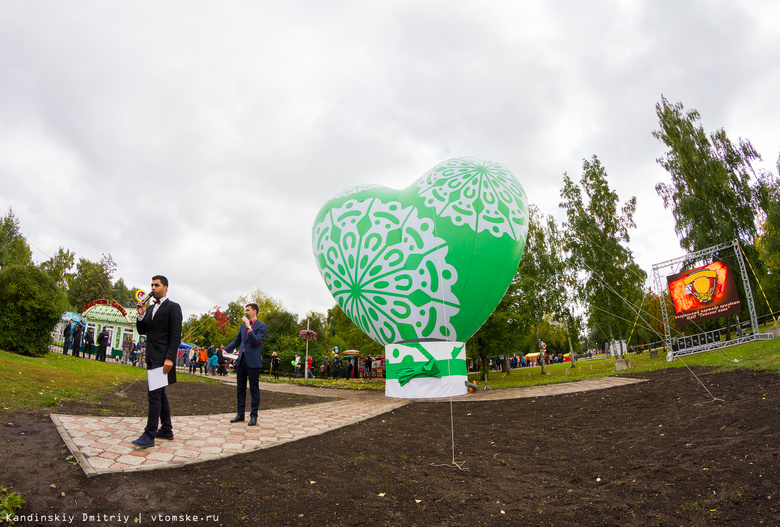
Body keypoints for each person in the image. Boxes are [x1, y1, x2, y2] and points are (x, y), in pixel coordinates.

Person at [132, 275, 182, 449]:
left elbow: (176, 335)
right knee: (160, 395)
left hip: (163, 358)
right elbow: (143, 330)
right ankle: (166, 429)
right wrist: (141, 314)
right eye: (151, 285)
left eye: (156, 285)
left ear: (165, 287)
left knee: (153, 395)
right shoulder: (151, 307)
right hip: (152, 356)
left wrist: (170, 358)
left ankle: (149, 434)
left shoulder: (173, 307)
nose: (153, 288)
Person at [224, 303, 267, 426]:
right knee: (240, 389)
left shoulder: (261, 326)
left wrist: (249, 327)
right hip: (241, 360)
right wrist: (226, 349)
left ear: (254, 311)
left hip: (253, 362)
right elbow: (237, 340)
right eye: (245, 310)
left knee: (254, 389)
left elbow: (256, 341)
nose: (246, 312)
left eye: (247, 310)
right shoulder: (242, 326)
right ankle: (240, 414)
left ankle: (253, 416)